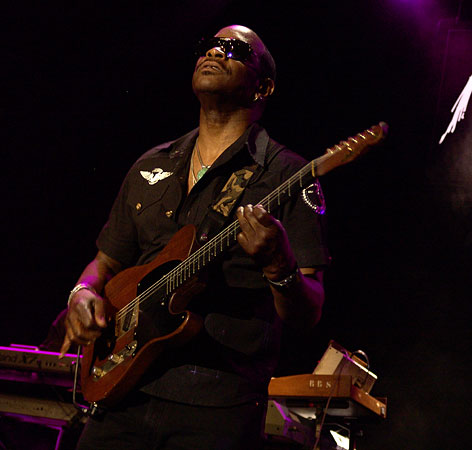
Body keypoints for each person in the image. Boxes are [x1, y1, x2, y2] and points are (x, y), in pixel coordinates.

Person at [60, 24, 329, 450]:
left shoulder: (287, 175)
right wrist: (81, 293)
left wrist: (280, 266)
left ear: (263, 87)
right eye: (210, 45)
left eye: (234, 49)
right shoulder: (152, 164)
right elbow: (105, 263)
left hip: (217, 407)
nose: (215, 53)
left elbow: (308, 310)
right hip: (124, 389)